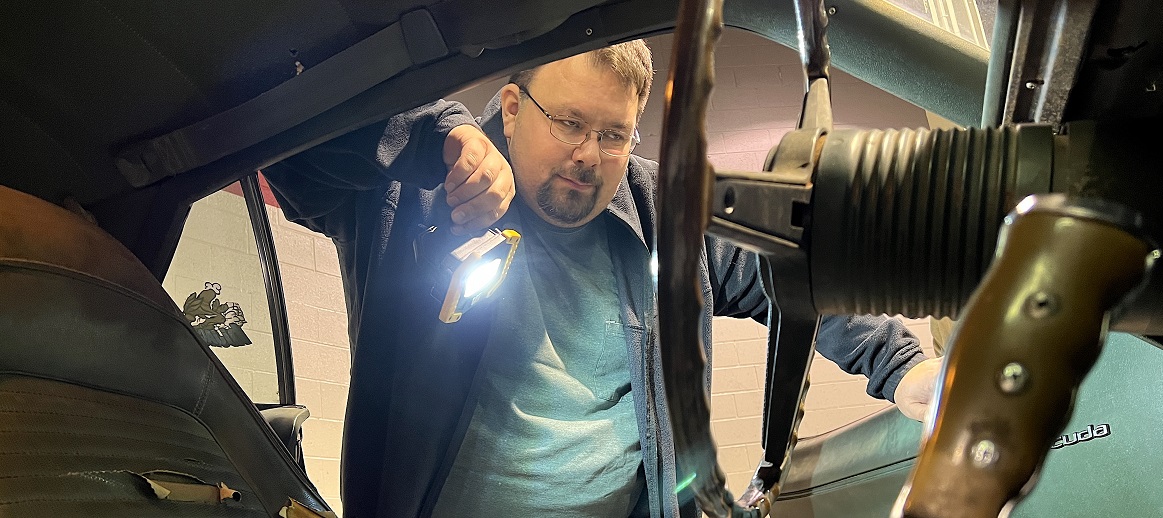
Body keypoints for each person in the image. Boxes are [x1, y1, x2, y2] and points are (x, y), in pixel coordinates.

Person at [264, 40, 939, 518]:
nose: (588, 154)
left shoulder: (668, 212)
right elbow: (290, 148)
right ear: (511, 105)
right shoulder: (416, 192)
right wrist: (435, 136)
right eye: (569, 123)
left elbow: (791, 272)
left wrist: (905, 367)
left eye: (615, 134)